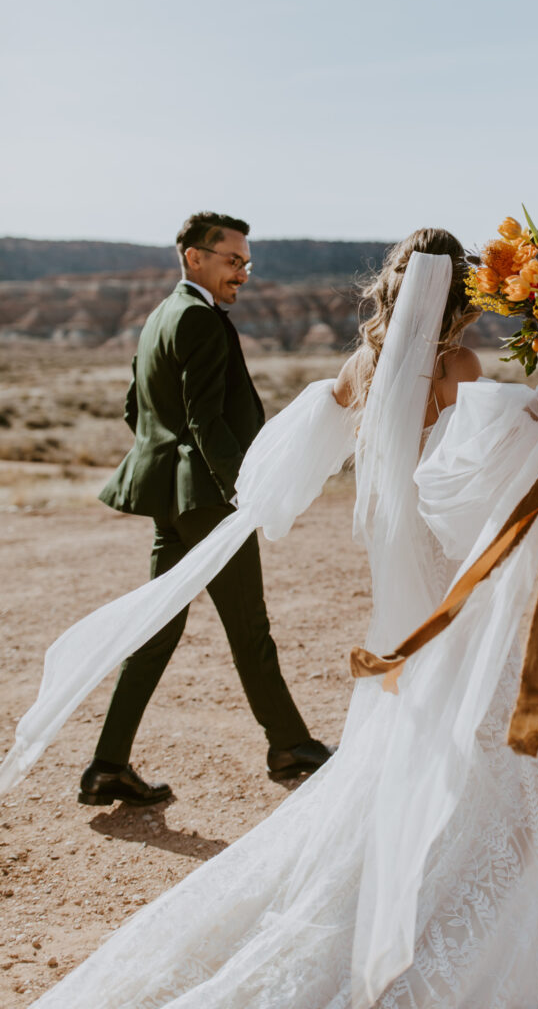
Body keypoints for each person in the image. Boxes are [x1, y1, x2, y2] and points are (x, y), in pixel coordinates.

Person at [13, 228, 538, 1008]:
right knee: (476, 726)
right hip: (436, 580)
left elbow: (283, 464)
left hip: (393, 577)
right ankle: (469, 905)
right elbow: (465, 481)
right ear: (462, 297)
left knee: (415, 723)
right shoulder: (454, 367)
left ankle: (398, 873)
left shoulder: (358, 368)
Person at [80, 211, 332, 808]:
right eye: (232, 260)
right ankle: (289, 745)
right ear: (195, 257)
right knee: (249, 628)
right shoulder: (198, 318)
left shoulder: (160, 317)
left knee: (157, 629)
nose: (243, 272)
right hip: (211, 499)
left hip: (177, 498)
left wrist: (169, 467)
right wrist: (243, 492)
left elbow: (133, 410)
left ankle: (108, 766)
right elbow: (204, 418)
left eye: (246, 262)